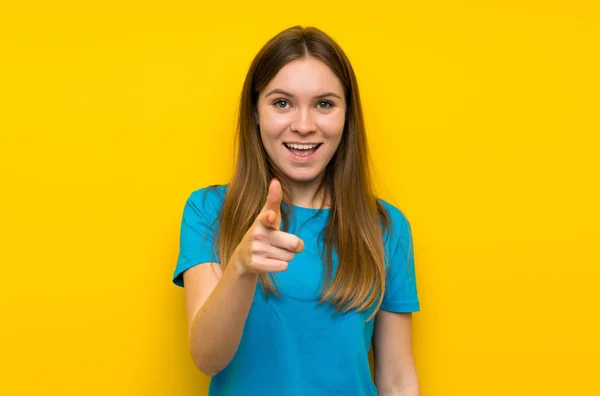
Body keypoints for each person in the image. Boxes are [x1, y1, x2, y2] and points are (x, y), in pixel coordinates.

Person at [172, 25, 421, 396]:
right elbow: (208, 358)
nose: (303, 126)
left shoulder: (385, 227)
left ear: (346, 115)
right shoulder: (209, 212)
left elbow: (398, 379)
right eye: (282, 103)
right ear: (255, 112)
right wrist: (241, 266)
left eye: (324, 104)